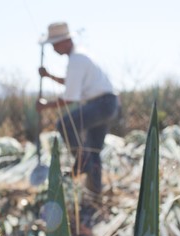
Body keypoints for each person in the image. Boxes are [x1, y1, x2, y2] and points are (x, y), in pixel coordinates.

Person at [36, 22, 119, 197]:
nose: (53, 49)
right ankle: (95, 192)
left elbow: (68, 98)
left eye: (55, 44)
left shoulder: (76, 60)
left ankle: (82, 161)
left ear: (66, 41)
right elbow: (71, 83)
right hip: (108, 105)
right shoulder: (80, 56)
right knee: (94, 149)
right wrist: (49, 76)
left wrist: (45, 106)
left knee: (64, 124)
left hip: (101, 104)